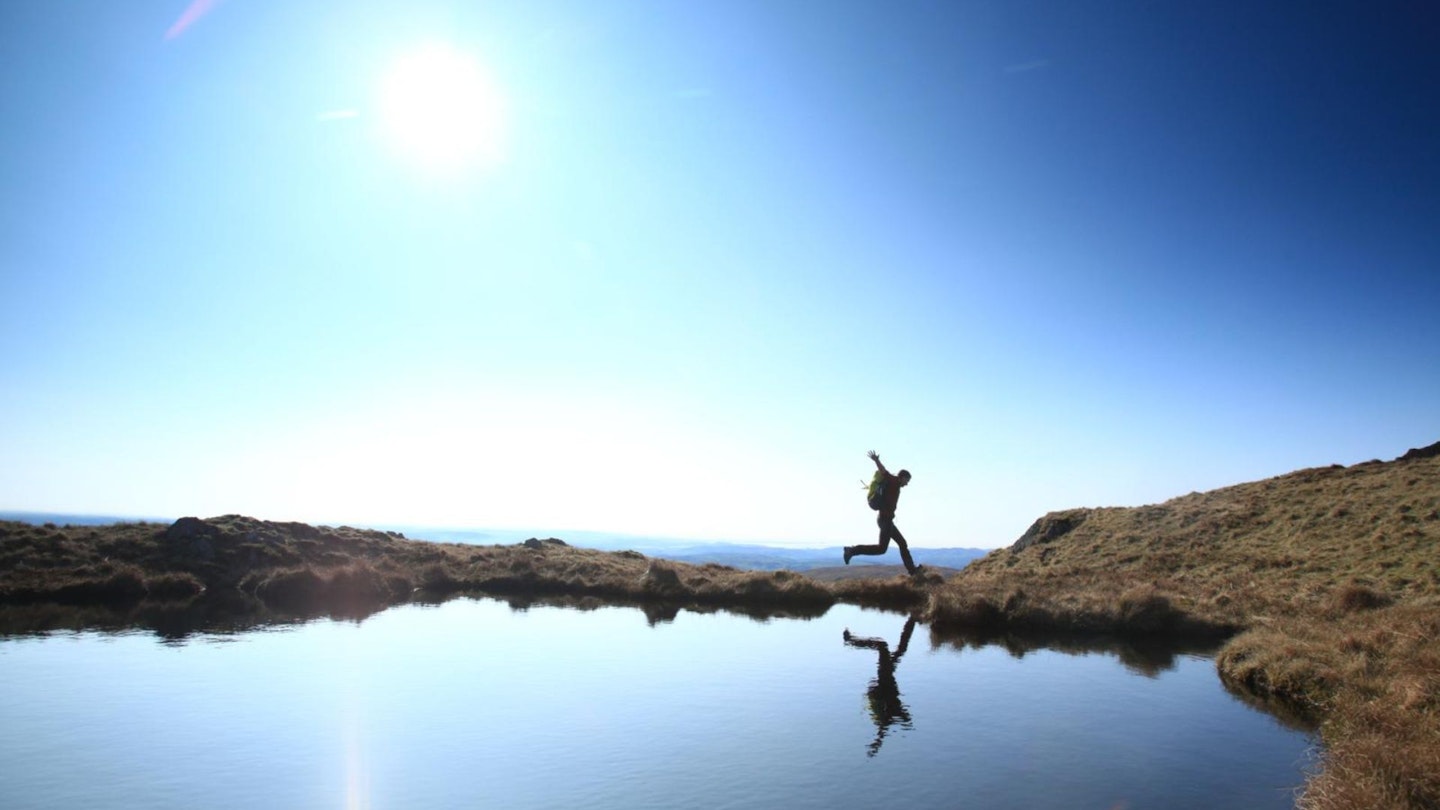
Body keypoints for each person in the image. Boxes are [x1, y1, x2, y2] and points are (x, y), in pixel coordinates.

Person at [843, 616, 918, 756]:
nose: (906, 711)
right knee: (901, 650)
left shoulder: (891, 714)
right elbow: (889, 727)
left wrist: (877, 743)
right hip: (887, 677)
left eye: (905, 713)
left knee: (882, 645)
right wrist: (905, 722)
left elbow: (882, 730)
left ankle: (851, 641)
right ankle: (912, 620)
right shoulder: (896, 710)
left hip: (884, 678)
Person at [844, 450, 918, 575]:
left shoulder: (895, 484)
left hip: (886, 520)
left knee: (902, 543)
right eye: (907, 480)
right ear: (902, 477)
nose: (907, 483)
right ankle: (851, 551)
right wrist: (876, 460)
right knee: (881, 549)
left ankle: (912, 570)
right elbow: (883, 471)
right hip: (885, 520)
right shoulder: (894, 481)